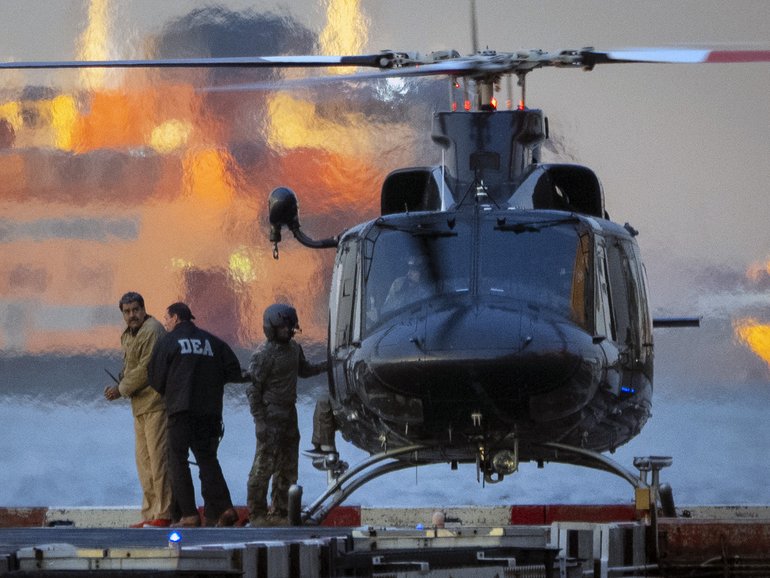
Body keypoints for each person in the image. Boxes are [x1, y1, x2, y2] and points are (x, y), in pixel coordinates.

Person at [148, 302, 248, 528]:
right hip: (210, 413)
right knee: (207, 458)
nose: (166, 323)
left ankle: (189, 514)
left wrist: (171, 390)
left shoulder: (168, 341)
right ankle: (225, 508)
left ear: (174, 318)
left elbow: (154, 377)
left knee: (177, 460)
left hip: (181, 411)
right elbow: (233, 371)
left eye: (167, 318)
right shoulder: (213, 341)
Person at [247, 303, 327, 526]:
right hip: (271, 414)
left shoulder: (294, 349)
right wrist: (259, 421)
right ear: (272, 327)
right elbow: (253, 389)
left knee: (288, 467)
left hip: (289, 414)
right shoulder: (263, 355)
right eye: (283, 327)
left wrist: (327, 365)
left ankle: (281, 512)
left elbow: (304, 370)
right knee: (263, 466)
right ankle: (257, 514)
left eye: (290, 326)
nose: (288, 330)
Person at [103, 291, 174, 528]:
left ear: (144, 309)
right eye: (127, 311)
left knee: (158, 462)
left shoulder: (152, 330)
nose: (132, 315)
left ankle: (163, 513)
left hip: (156, 405)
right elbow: (131, 365)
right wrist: (122, 381)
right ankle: (150, 515)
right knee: (144, 464)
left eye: (135, 310)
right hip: (140, 407)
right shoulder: (128, 335)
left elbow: (146, 369)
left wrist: (120, 389)